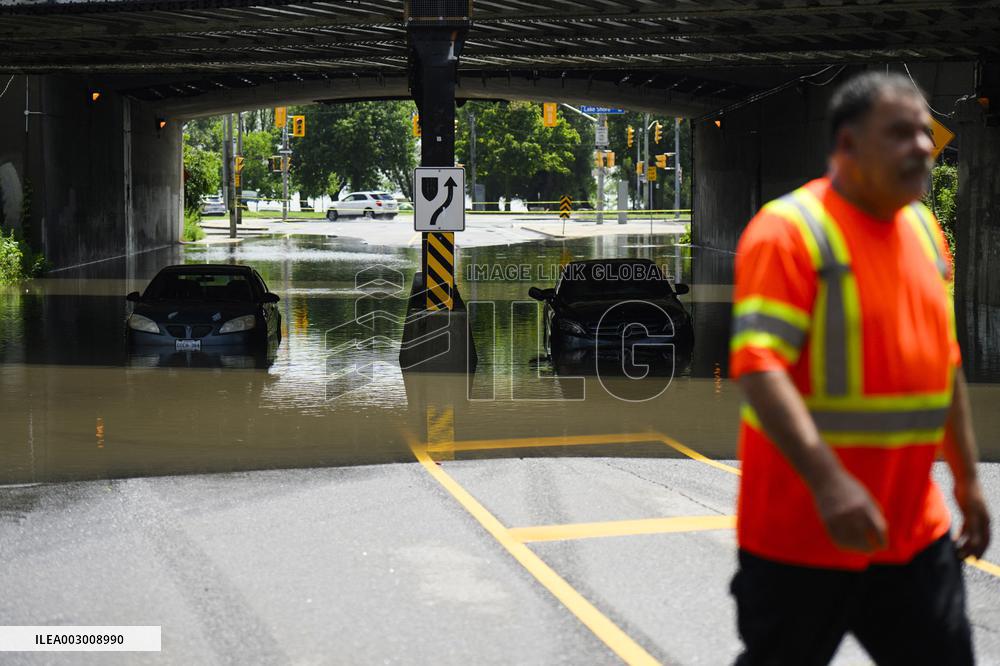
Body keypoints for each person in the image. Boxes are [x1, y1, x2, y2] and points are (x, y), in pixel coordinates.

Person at [729, 71, 991, 665]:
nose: (923, 146)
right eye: (900, 133)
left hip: (911, 533)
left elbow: (943, 365)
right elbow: (758, 365)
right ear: (846, 146)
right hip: (804, 534)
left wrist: (968, 480)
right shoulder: (790, 231)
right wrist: (830, 483)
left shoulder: (926, 232)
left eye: (925, 133)